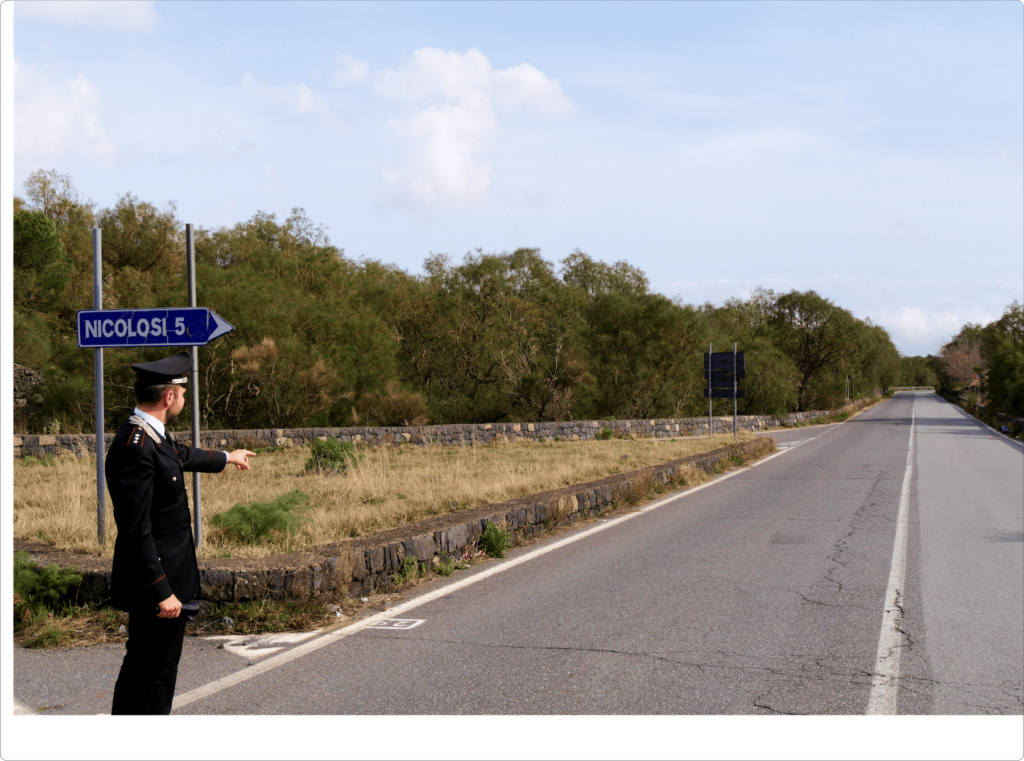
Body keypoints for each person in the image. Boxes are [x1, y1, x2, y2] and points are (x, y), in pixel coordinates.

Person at [106, 351, 255, 716]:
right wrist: (161, 591)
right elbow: (136, 531)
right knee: (151, 674)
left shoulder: (152, 436)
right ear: (168, 396)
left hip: (169, 579)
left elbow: (180, 455)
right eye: (183, 393)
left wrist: (227, 457)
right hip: (157, 586)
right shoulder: (135, 447)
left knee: (152, 669)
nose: (184, 399)